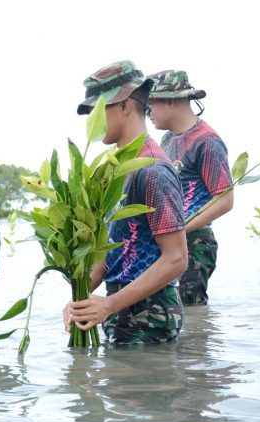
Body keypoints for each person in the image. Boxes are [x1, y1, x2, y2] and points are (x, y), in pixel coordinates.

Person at [65, 60, 188, 344]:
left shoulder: (152, 169)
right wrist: (79, 300)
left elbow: (176, 258)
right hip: (119, 309)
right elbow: (112, 252)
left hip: (151, 315)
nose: (91, 121)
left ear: (124, 105)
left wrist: (109, 305)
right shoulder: (114, 169)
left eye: (98, 110)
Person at [147, 70, 233, 306]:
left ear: (171, 100)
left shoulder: (206, 141)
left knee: (192, 314)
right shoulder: (168, 140)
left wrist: (180, 230)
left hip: (194, 243)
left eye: (150, 104)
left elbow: (225, 199)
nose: (147, 113)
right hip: (170, 242)